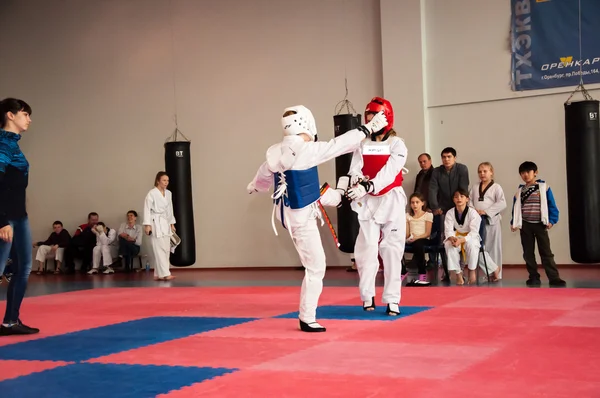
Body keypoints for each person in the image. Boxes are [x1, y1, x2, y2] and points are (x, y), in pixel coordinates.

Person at [247, 104, 387, 332]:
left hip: (288, 211)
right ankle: (307, 317)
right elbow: (338, 145)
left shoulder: (277, 150)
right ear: (306, 123)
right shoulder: (306, 150)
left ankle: (339, 195)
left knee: (318, 192)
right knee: (316, 267)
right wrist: (367, 128)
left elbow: (264, 174)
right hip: (300, 217)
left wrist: (255, 186)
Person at [346, 97, 407, 316]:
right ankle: (367, 295)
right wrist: (356, 181)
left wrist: (370, 185)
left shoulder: (397, 144)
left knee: (391, 250)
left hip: (391, 198)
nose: (370, 119)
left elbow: (390, 172)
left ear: (385, 117)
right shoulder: (362, 144)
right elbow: (354, 168)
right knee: (366, 249)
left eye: (374, 115)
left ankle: (392, 300)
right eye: (368, 115)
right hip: (367, 202)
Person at [0, 97, 39, 335]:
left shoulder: (13, 144)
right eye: (25, 114)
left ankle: (10, 321)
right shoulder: (3, 144)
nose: (30, 119)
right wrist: (2, 220)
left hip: (20, 216)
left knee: (23, 267)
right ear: (10, 115)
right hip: (6, 218)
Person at [510, 161, 566, 287]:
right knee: (528, 253)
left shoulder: (544, 188)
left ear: (535, 173)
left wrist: (552, 220)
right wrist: (513, 222)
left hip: (540, 224)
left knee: (546, 252)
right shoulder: (519, 191)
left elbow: (552, 205)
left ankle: (554, 278)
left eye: (528, 172)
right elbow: (516, 208)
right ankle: (533, 277)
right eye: (522, 173)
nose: (525, 175)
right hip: (525, 225)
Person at [444, 189, 499, 285]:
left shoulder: (473, 213)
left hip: (470, 236)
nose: (459, 199)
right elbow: (448, 229)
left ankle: (471, 271)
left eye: (462, 196)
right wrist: (452, 238)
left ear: (467, 199)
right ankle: (458, 274)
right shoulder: (450, 212)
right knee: (449, 245)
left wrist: (462, 240)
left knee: (472, 245)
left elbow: (474, 232)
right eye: (456, 197)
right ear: (453, 200)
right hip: (456, 236)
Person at [468, 162, 506, 278]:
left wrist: (486, 211)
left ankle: (497, 275)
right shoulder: (474, 187)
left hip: (492, 221)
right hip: (477, 221)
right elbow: (469, 201)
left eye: (485, 171)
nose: (482, 174)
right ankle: (490, 271)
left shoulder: (496, 187)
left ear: (491, 172)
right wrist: (474, 211)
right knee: (478, 247)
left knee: (494, 248)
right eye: (479, 171)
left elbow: (502, 203)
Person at [143, 171, 176, 281]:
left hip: (165, 222)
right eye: (164, 180)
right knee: (159, 248)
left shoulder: (169, 193)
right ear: (158, 180)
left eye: (167, 180)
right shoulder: (152, 193)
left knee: (166, 248)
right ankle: (165, 274)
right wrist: (147, 225)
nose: (166, 182)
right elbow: (147, 209)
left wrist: (171, 223)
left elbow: (170, 209)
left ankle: (158, 273)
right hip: (155, 222)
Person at [403, 192, 433, 286]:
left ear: (422, 203)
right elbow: (407, 233)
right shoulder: (407, 216)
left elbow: (427, 233)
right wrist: (409, 237)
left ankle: (422, 272)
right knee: (395, 245)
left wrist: (417, 237)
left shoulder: (428, 215)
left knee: (418, 244)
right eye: (412, 202)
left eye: (417, 202)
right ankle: (403, 270)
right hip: (412, 239)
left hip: (423, 239)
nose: (415, 205)